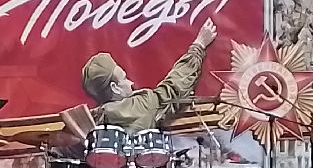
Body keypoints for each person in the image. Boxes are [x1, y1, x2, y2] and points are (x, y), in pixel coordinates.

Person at [80, 19, 218, 132]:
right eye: (124, 78)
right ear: (115, 87)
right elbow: (174, 87)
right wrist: (198, 46)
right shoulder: (139, 106)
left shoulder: (90, 121)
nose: (131, 82)